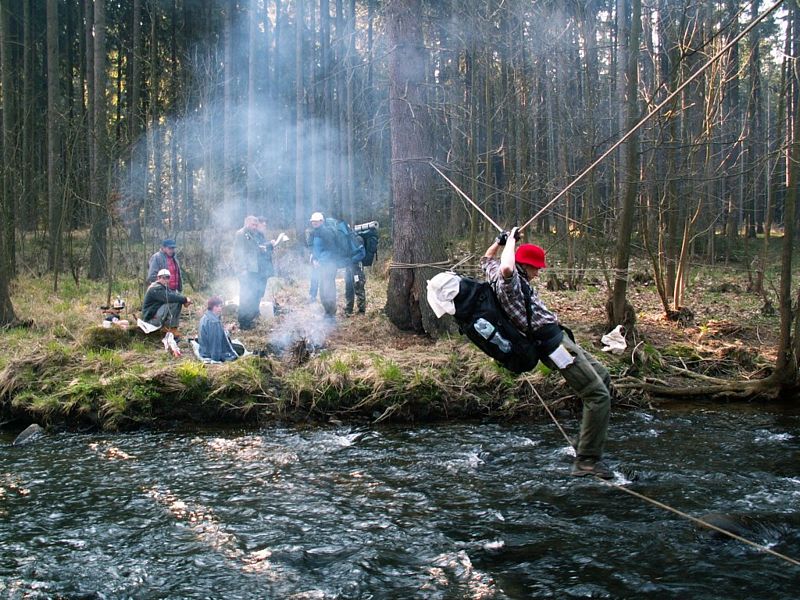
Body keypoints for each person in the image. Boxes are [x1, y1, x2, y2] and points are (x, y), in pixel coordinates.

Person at [481, 226, 613, 479]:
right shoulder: (509, 281)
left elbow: (486, 259)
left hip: (562, 339)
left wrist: (498, 242)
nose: (538, 274)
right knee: (597, 396)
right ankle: (586, 461)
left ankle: (585, 442)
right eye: (536, 269)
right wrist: (510, 242)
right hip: (555, 348)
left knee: (603, 377)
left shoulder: (495, 272)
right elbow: (507, 267)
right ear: (525, 265)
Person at [233, 215, 274, 330]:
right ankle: (243, 322)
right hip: (245, 271)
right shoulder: (241, 234)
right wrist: (242, 269)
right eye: (253, 224)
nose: (255, 227)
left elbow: (252, 249)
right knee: (245, 296)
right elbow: (238, 254)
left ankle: (249, 319)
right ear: (246, 223)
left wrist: (261, 248)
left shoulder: (252, 234)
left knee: (252, 296)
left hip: (253, 270)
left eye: (256, 225)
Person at [308, 211, 339, 319]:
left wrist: (320, 261)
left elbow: (330, 250)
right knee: (323, 289)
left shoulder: (326, 232)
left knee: (328, 289)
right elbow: (315, 248)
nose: (314, 223)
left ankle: (331, 313)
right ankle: (327, 311)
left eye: (316, 221)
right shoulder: (315, 232)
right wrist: (313, 257)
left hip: (329, 265)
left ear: (322, 221)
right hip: (320, 265)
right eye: (313, 221)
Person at [142, 268, 192, 332]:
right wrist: (184, 299)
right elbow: (170, 297)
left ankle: (170, 328)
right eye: (163, 278)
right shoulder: (155, 288)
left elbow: (174, 295)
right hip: (150, 320)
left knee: (177, 300)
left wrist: (185, 301)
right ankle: (170, 328)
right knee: (176, 302)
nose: (166, 280)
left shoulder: (163, 288)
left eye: (168, 277)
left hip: (155, 315)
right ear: (158, 278)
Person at [197, 296, 238, 362]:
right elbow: (215, 344)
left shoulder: (206, 316)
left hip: (203, 350)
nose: (220, 308)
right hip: (209, 354)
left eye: (220, 306)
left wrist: (227, 330)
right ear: (213, 307)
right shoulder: (214, 322)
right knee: (236, 354)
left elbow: (218, 334)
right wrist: (216, 360)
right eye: (218, 306)